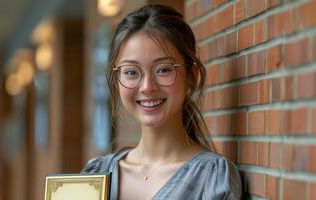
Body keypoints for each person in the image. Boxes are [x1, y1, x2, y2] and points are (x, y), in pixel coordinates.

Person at [81, 4, 242, 200]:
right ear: (116, 81)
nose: (147, 86)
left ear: (192, 76)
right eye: (131, 72)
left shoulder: (212, 179)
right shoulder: (96, 175)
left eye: (163, 69)